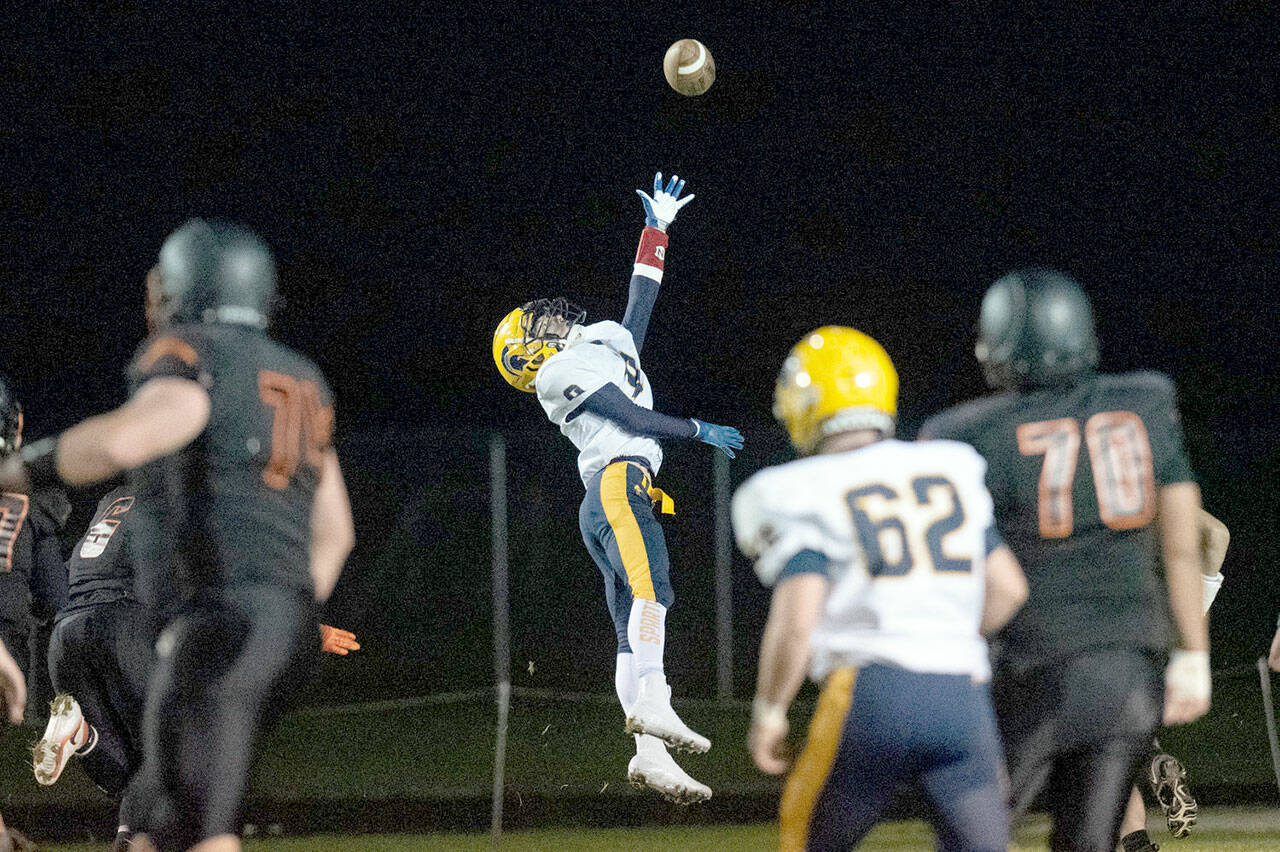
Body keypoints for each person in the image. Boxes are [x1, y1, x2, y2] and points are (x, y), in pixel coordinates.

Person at [4, 218, 355, 852]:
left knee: (199, 829)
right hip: (279, 631)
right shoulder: (301, 377)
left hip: (216, 624)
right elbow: (336, 531)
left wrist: (21, 467)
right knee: (165, 815)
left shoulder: (191, 354)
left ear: (185, 289)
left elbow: (128, 436)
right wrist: (289, 607)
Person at [918, 268, 1210, 851]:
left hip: (1031, 668)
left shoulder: (963, 433)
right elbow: (1181, 543)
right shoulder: (1146, 400)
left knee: (971, 837)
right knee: (1089, 843)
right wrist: (1193, 655)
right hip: (1130, 671)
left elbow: (949, 569)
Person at [491, 173, 743, 804]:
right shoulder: (557, 374)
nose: (547, 319)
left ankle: (648, 757)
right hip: (615, 486)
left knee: (634, 619)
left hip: (618, 491)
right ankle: (654, 701)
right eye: (534, 325)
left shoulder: (597, 344)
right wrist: (697, 428)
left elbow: (640, 305)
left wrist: (656, 230)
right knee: (654, 590)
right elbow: (629, 418)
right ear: (529, 356)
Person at [734, 326, 1028, 851]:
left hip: (870, 695)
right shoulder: (947, 467)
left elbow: (797, 621)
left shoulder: (800, 488)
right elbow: (1008, 588)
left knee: (805, 841)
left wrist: (769, 711)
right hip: (962, 698)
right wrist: (939, 633)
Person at [32, 482, 359, 852]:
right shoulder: (175, 493)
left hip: (65, 638)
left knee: (127, 771)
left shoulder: (114, 501)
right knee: (167, 756)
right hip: (124, 626)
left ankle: (79, 735)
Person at [1119, 508, 1229, 850]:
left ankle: (1150, 762)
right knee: (1117, 758)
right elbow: (1218, 535)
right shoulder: (1188, 598)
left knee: (1097, 762)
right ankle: (1151, 762)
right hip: (1159, 674)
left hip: (1111, 656)